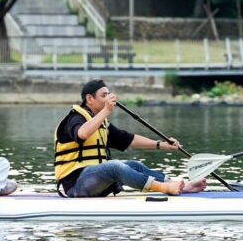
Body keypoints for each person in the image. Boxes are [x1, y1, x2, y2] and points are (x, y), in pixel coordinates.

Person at [53, 79, 207, 197]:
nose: (108, 98)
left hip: (96, 183)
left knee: (134, 165)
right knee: (115, 166)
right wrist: (106, 110)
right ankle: (163, 188)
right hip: (75, 185)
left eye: (108, 95)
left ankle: (180, 185)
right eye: (103, 95)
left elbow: (129, 140)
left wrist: (162, 145)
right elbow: (82, 134)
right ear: (90, 98)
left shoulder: (101, 123)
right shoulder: (74, 119)